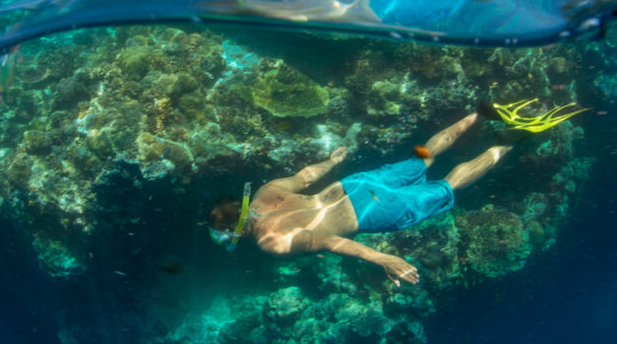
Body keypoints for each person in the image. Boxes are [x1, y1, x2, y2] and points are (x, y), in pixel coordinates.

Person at [208, 112, 511, 286]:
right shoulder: (265, 192)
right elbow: (305, 177)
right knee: (424, 156)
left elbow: (329, 243)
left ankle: (509, 141)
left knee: (448, 185)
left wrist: (381, 258)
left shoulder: (271, 242)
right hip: (354, 184)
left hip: (372, 211)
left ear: (237, 231)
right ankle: (480, 113)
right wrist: (333, 162)